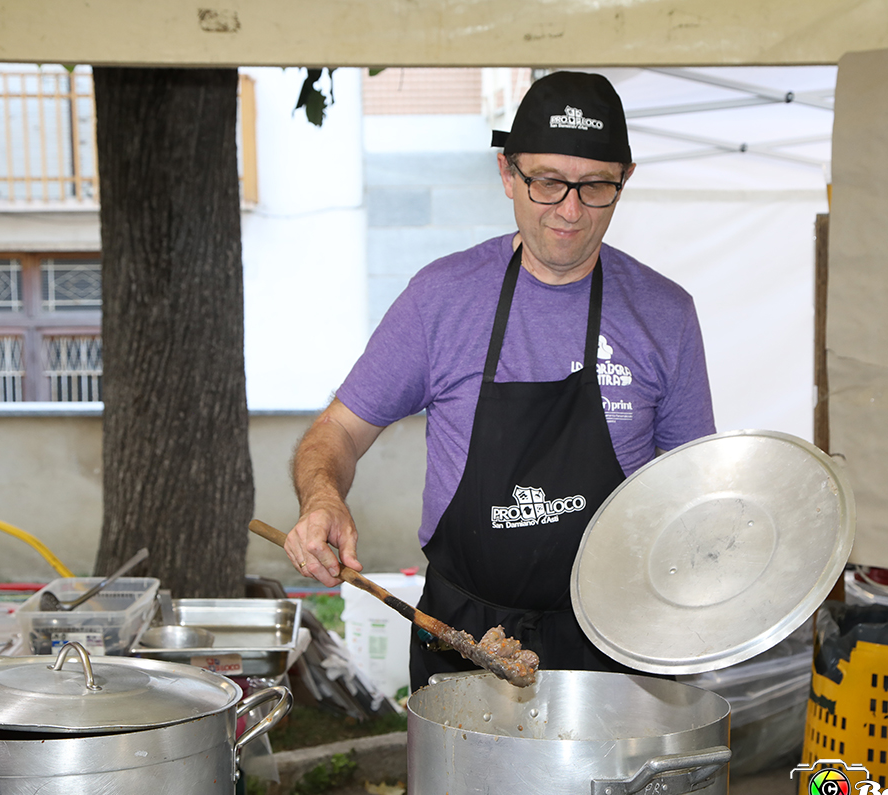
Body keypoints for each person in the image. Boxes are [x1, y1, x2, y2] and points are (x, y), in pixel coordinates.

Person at [283, 71, 715, 689]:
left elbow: (692, 490)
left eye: (595, 186)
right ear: (507, 173)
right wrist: (322, 498)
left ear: (625, 180)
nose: (569, 210)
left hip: (618, 641)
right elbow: (338, 432)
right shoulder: (442, 298)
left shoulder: (665, 314)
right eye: (547, 182)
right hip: (460, 633)